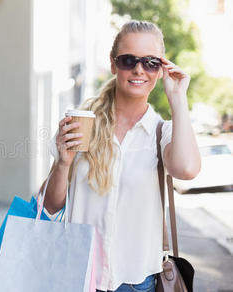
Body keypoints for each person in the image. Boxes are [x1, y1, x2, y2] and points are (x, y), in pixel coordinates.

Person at [43, 21, 201, 292]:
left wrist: (178, 100)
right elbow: (50, 205)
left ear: (161, 69)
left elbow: (186, 169)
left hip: (137, 282)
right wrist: (63, 162)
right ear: (114, 64)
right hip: (77, 278)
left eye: (150, 62)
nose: (139, 69)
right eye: (128, 60)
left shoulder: (162, 131)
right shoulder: (81, 123)